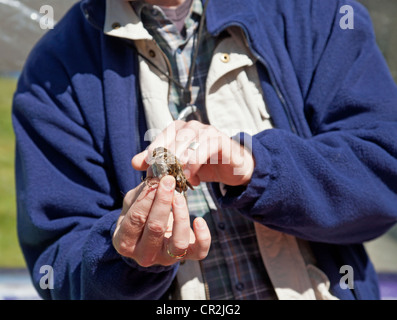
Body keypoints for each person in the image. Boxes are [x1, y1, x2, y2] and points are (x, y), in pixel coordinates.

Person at [12, 0, 397, 300]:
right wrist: (125, 256)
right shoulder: (53, 72)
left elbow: (383, 171)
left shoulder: (314, 11)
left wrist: (258, 166)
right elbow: (59, 266)